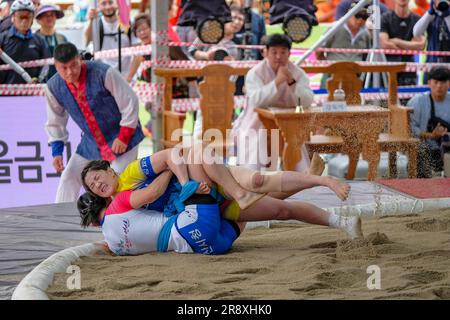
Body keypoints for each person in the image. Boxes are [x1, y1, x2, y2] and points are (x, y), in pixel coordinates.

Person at [77, 150, 361, 256]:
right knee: (279, 209)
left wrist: (185, 181)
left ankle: (325, 182)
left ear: (109, 169)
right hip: (198, 207)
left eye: (98, 177)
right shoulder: (118, 206)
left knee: (258, 182)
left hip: (207, 180)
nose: (98, 184)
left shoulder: (131, 174)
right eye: (93, 186)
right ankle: (342, 222)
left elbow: (176, 154)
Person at [45, 42, 145, 203]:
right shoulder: (53, 87)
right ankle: (61, 220)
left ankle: (117, 222)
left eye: (74, 65)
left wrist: (123, 136)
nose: (70, 72)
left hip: (124, 137)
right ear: (56, 66)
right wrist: (57, 152)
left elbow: (130, 102)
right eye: (64, 68)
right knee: (69, 177)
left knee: (116, 179)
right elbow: (55, 121)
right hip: (92, 142)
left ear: (80, 60)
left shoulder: (103, 72)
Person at [231, 33, 320, 173]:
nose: (278, 56)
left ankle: (299, 180)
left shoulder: (297, 72)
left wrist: (292, 84)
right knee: (258, 138)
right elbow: (256, 100)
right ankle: (253, 179)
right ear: (265, 52)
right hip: (257, 122)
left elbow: (308, 99)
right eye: (274, 52)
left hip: (288, 123)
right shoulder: (255, 73)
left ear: (289, 53)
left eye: (283, 52)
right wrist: (277, 82)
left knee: (294, 140)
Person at [317, 1, 371, 88]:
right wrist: (326, 65)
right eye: (357, 15)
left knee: (354, 101)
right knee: (326, 99)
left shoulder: (366, 34)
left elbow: (367, 56)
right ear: (349, 13)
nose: (360, 20)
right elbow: (319, 49)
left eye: (364, 17)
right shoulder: (334, 28)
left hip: (355, 77)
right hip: (332, 74)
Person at [408, 67, 450, 178]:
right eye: (436, 82)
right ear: (429, 83)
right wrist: (432, 135)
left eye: (443, 82)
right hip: (423, 146)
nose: (439, 86)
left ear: (449, 84)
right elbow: (409, 128)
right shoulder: (417, 102)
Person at [0, 0, 50, 83]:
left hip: (32, 92)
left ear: (32, 19)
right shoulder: (2, 38)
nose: (24, 21)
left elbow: (46, 64)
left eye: (28, 17)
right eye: (20, 17)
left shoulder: (40, 41)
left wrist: (39, 80)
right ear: (13, 17)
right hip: (6, 92)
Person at [380, 0, 425, 86]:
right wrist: (409, 45)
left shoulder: (417, 19)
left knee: (408, 98)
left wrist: (395, 41)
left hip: (408, 68)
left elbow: (420, 45)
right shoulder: (385, 17)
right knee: (386, 98)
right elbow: (384, 44)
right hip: (389, 66)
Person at [84, 0, 134, 77]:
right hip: (103, 76)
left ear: (117, 4)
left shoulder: (127, 23)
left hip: (125, 76)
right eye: (103, 3)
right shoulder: (96, 23)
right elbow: (87, 41)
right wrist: (91, 21)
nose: (107, 7)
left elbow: (138, 51)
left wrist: (130, 77)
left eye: (110, 2)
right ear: (99, 6)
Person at [413, 0, 450, 66]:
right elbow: (416, 33)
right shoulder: (431, 15)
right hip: (431, 63)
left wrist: (447, 15)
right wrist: (430, 13)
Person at [35, 4, 67, 78]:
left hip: (60, 79)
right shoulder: (34, 40)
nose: (49, 18)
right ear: (39, 19)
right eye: (45, 15)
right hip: (39, 82)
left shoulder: (62, 38)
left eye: (52, 15)